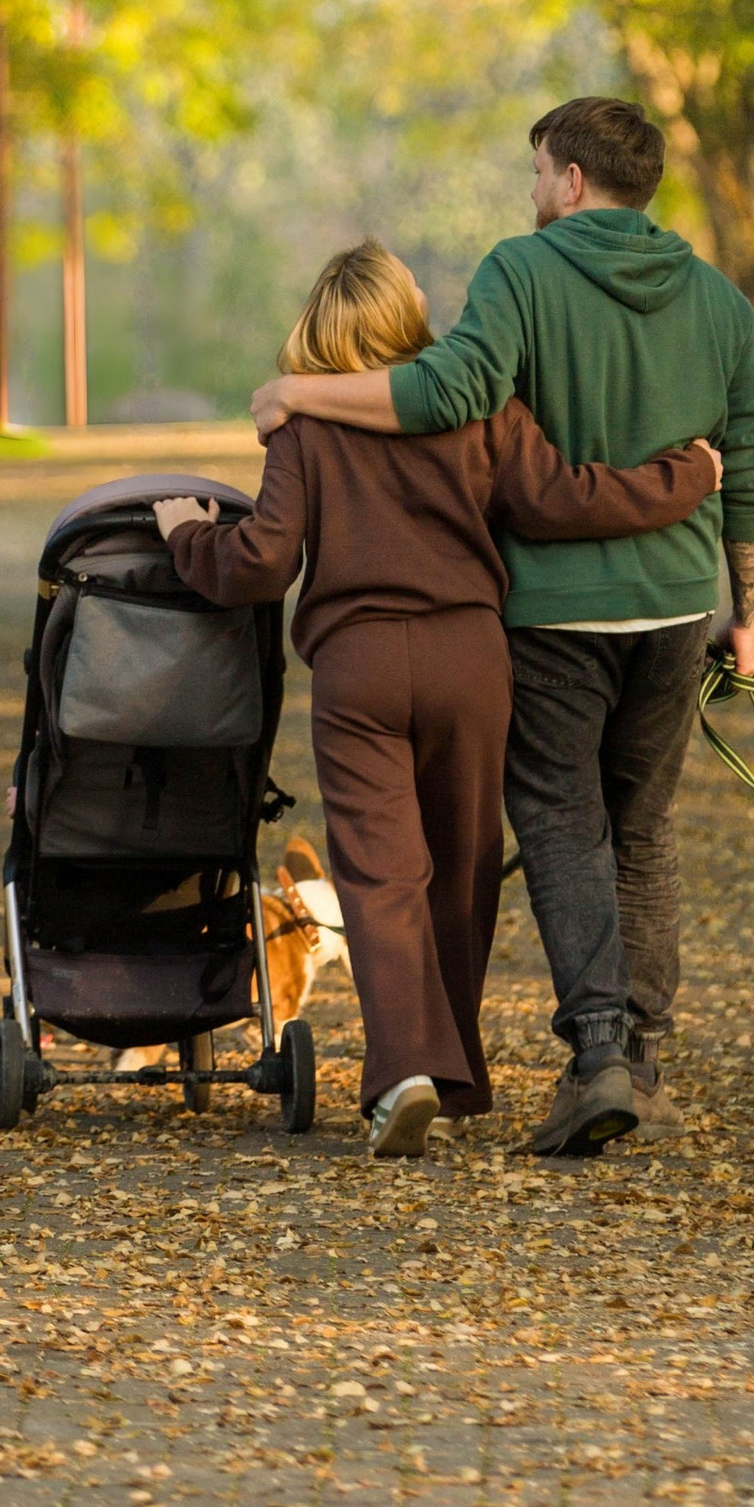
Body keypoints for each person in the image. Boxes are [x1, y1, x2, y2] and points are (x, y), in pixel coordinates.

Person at [251, 96, 754, 1157]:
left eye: (538, 171)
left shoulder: (519, 272)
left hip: (546, 620)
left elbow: (452, 387)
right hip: (669, 609)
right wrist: (744, 610)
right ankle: (642, 1055)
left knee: (558, 826)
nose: (531, 191)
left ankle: (589, 1058)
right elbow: (731, 463)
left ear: (572, 179)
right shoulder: (721, 303)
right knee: (637, 832)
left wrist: (297, 392)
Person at [155, 240, 719, 1160]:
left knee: (381, 876)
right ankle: (453, 1076)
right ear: (397, 315)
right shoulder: (476, 409)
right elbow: (566, 500)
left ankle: (402, 1074)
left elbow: (259, 564)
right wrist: (686, 478)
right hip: (470, 660)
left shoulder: (303, 430)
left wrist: (187, 538)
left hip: (359, 669)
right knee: (461, 865)